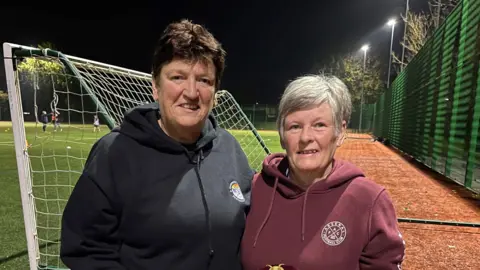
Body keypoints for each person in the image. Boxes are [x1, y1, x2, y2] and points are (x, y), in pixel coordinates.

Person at [60, 19, 254, 270]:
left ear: (215, 90)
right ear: (155, 86)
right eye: (178, 77)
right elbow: (84, 249)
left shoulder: (229, 148)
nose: (192, 92)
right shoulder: (115, 153)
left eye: (204, 80)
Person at [241, 74, 405, 270]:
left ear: (341, 132)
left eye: (319, 125)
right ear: (282, 135)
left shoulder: (369, 200)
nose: (305, 137)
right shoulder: (254, 189)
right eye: (294, 126)